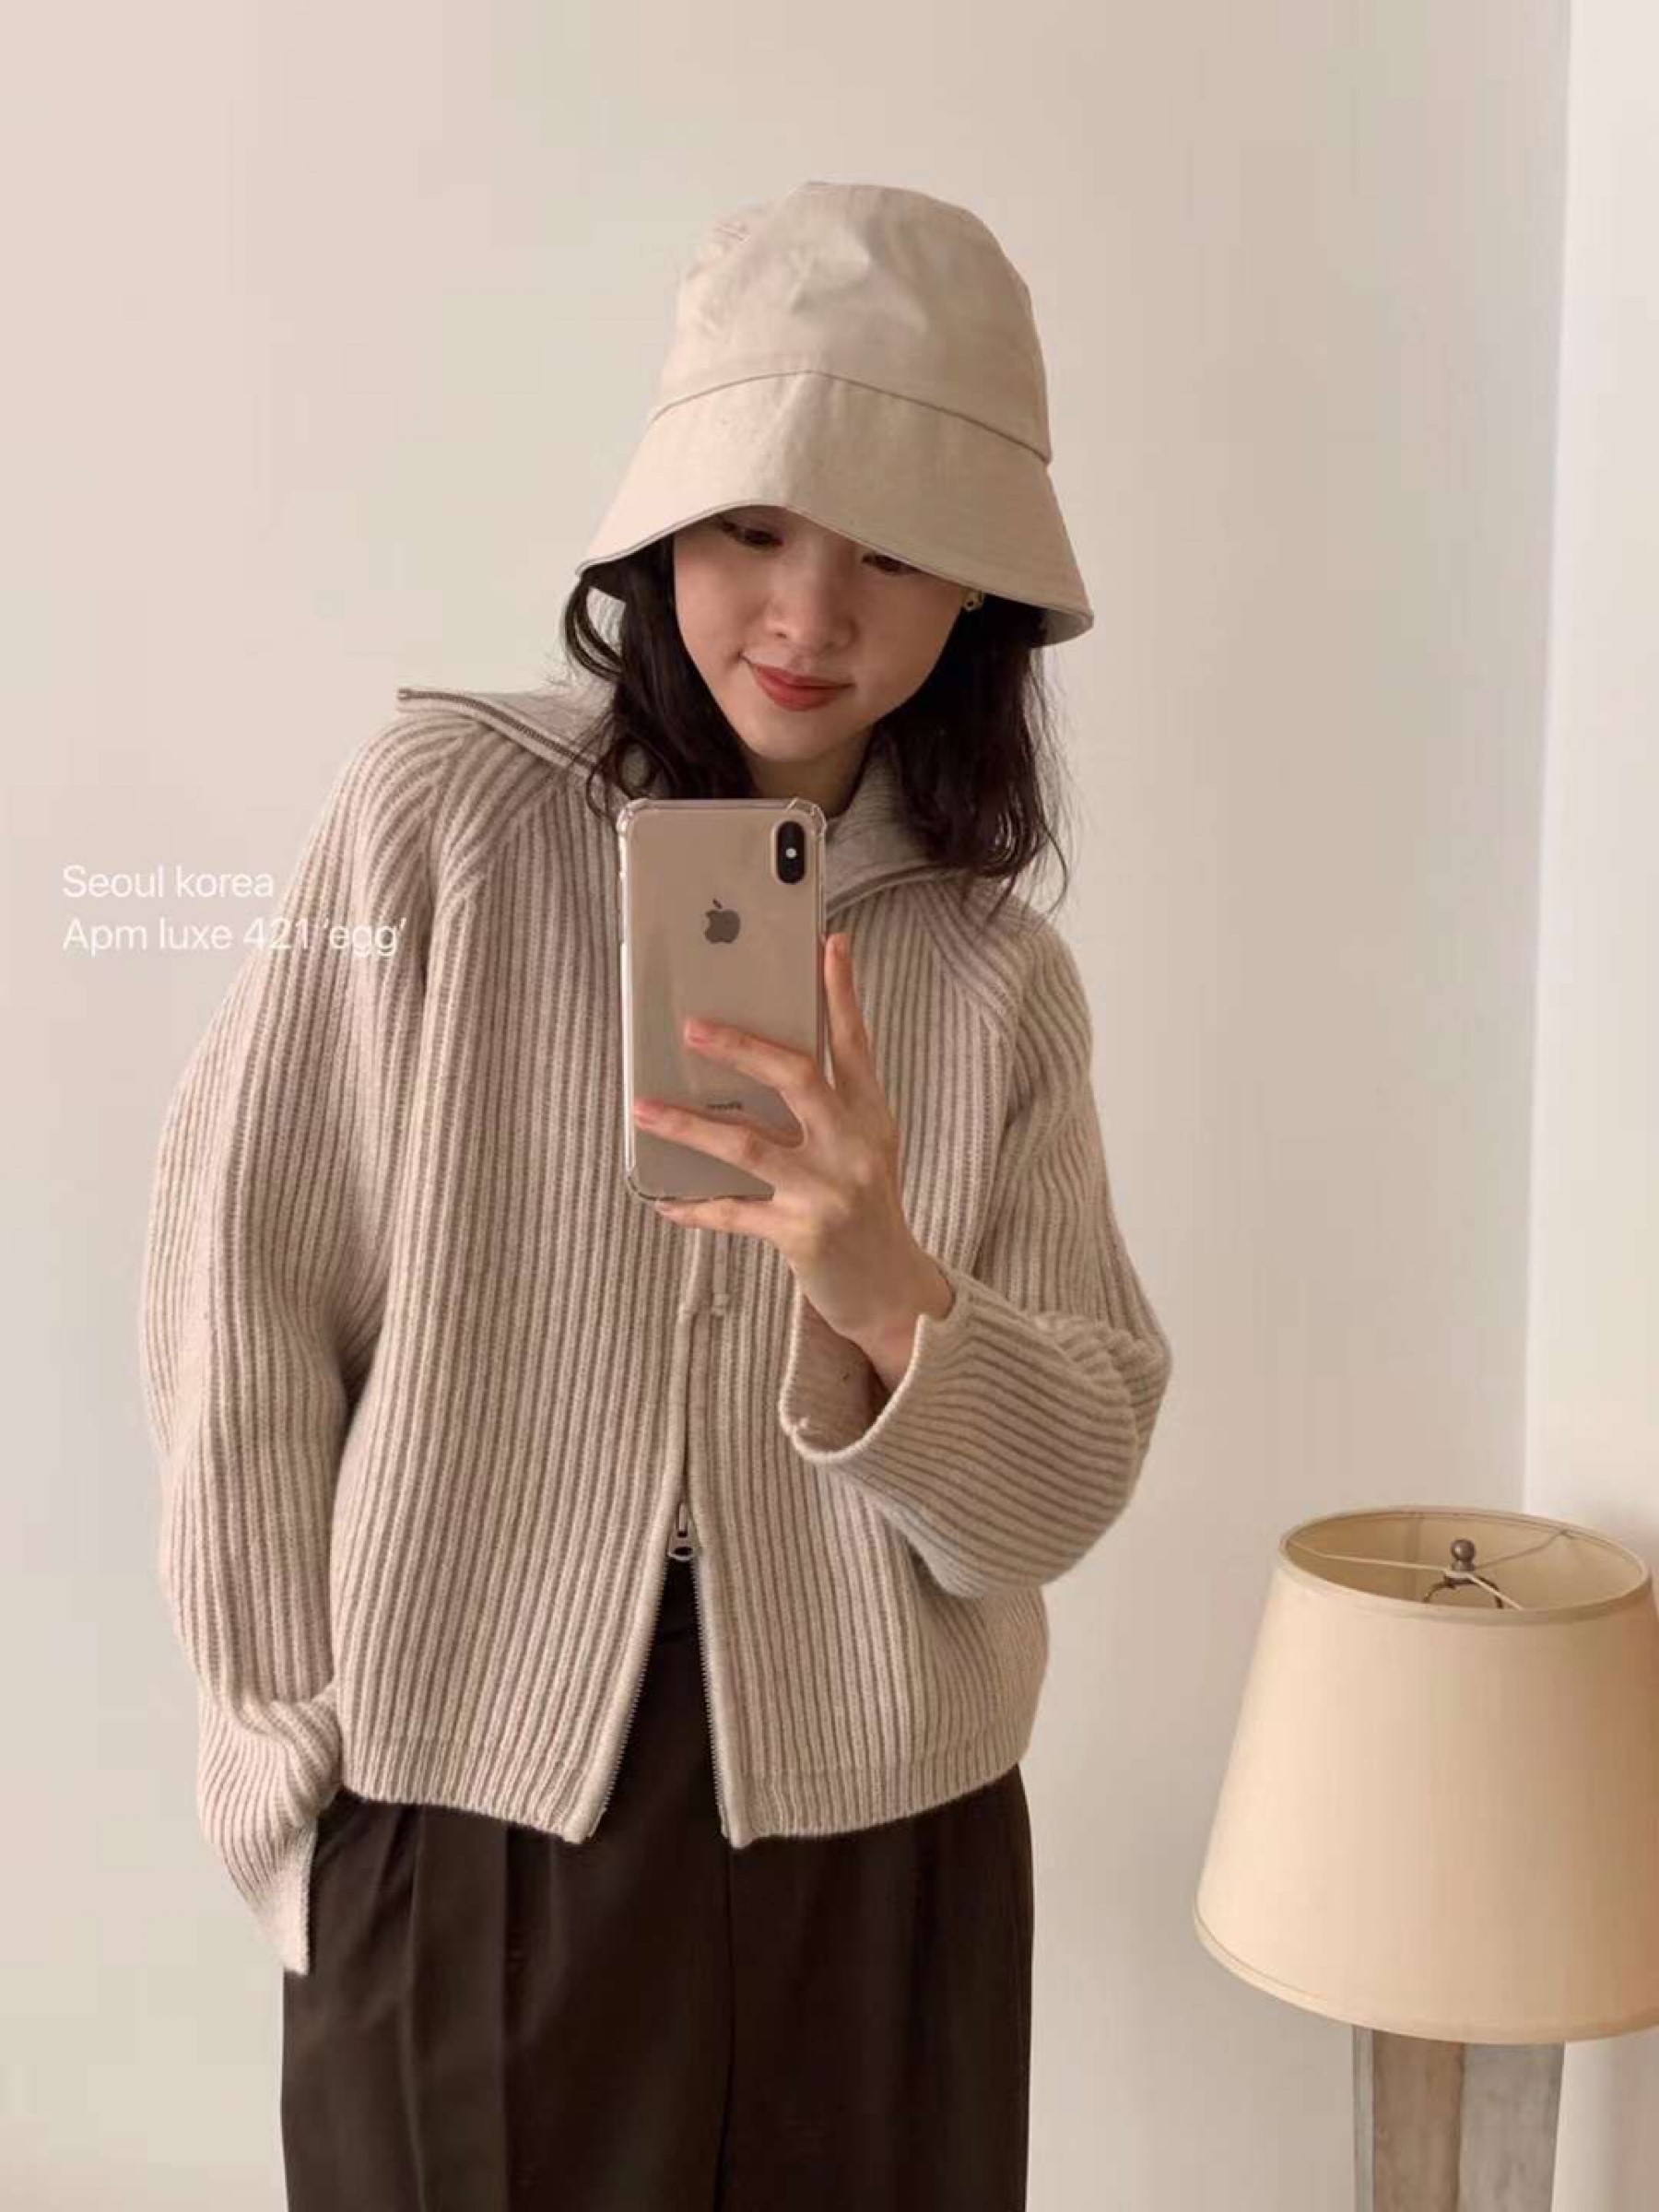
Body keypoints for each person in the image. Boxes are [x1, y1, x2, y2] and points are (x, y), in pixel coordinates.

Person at [138, 178, 1174, 2211]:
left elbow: (1061, 1492)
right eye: (755, 525)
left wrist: (888, 1296)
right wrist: (286, 1768)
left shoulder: (995, 979)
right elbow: (241, 1282)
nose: (811, 614)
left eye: (892, 547)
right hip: (465, 1813)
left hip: (884, 1859)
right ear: (666, 524)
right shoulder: (441, 825)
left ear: (977, 589)